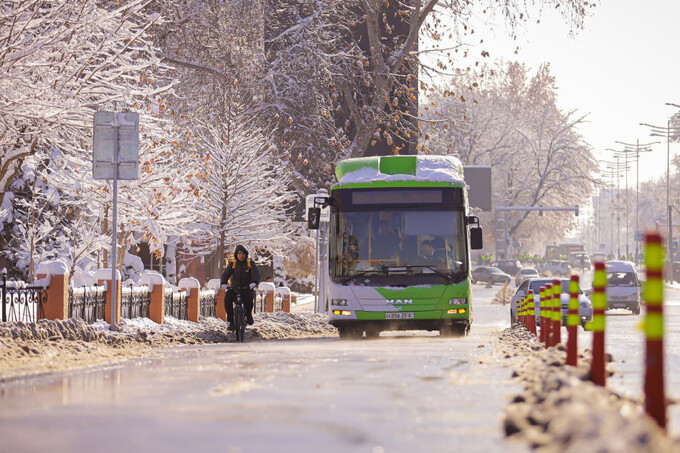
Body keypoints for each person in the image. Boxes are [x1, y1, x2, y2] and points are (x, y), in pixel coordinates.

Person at [220, 244, 261, 331]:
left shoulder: (250, 264)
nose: (241, 256)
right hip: (234, 289)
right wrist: (224, 283)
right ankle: (231, 321)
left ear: (246, 255)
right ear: (236, 255)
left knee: (249, 300)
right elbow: (225, 274)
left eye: (243, 254)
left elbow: (256, 274)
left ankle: (248, 316)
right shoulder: (233, 264)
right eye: (239, 254)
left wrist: (254, 282)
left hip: (247, 288)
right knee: (227, 299)